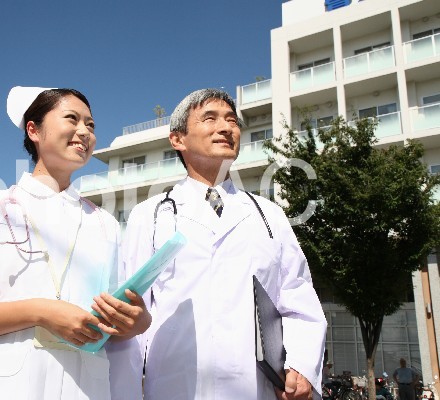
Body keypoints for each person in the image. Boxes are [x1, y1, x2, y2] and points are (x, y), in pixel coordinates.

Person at [109, 88, 327, 400]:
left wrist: (302, 365)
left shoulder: (270, 215)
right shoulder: (150, 216)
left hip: (257, 387)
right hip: (175, 387)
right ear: (178, 139)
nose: (225, 128)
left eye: (231, 121)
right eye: (210, 119)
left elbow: (298, 297)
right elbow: (130, 315)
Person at [0, 86, 151, 400]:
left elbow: (108, 324)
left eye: (90, 125)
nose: (85, 132)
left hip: (85, 389)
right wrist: (41, 311)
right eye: (72, 119)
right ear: (34, 130)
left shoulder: (105, 223)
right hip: (7, 388)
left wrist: (135, 323)